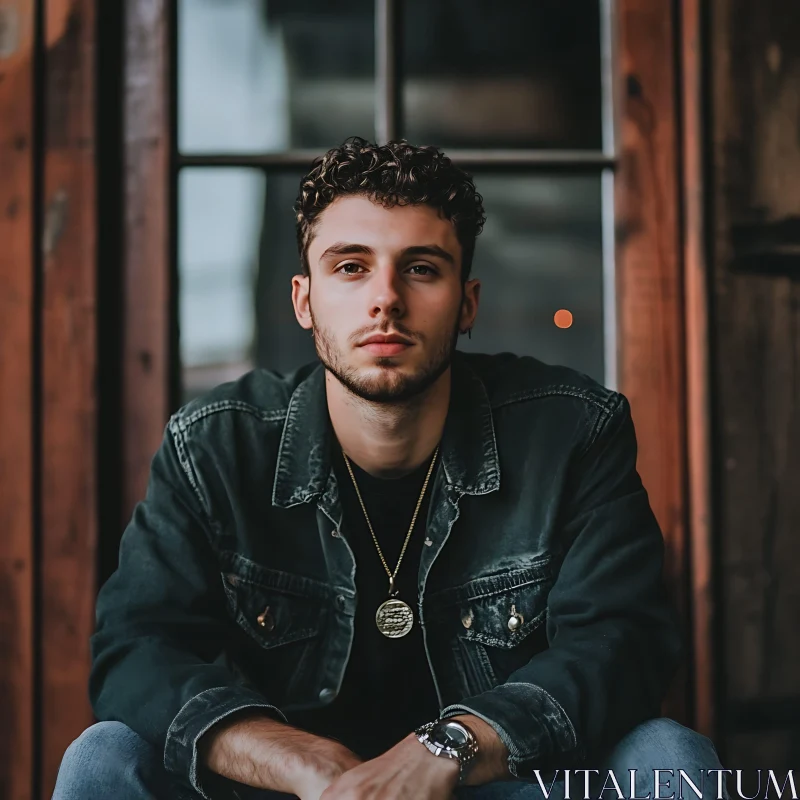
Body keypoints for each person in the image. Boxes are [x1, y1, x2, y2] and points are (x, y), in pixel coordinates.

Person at [54, 138, 728, 800]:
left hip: (490, 780)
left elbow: (621, 642)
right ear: (303, 299)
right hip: (293, 792)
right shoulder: (214, 449)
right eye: (350, 267)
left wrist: (449, 748)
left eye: (422, 268)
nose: (386, 300)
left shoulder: (574, 433)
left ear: (467, 303)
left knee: (669, 758)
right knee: (105, 756)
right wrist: (299, 761)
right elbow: (137, 649)